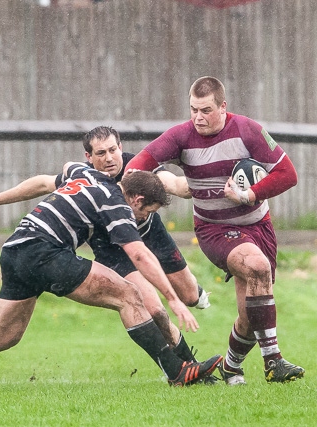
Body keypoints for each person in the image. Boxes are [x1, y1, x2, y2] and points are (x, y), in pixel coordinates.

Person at [0, 166, 223, 390]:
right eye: (147, 212)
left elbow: (50, 177)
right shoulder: (118, 205)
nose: (143, 218)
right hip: (43, 250)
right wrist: (174, 299)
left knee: (1, 337)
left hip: (15, 249)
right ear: (137, 199)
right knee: (129, 295)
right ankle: (176, 371)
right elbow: (139, 255)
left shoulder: (85, 172)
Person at [0, 126, 213, 379]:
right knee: (154, 308)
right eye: (100, 153)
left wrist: (205, 181)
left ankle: (195, 296)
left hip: (150, 233)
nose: (109, 158)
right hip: (113, 246)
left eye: (112, 150)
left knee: (188, 295)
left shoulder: (138, 165)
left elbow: (175, 184)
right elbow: (43, 183)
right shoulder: (85, 176)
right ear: (89, 157)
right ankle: (190, 368)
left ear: (121, 147)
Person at [125, 76, 305, 385]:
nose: (198, 117)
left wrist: (249, 194)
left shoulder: (248, 131)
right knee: (258, 267)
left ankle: (232, 367)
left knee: (251, 314)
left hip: (258, 225)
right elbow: (139, 164)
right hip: (214, 229)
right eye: (193, 109)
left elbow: (288, 174)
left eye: (206, 110)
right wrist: (136, 188)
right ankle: (273, 361)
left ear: (223, 107)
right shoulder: (181, 136)